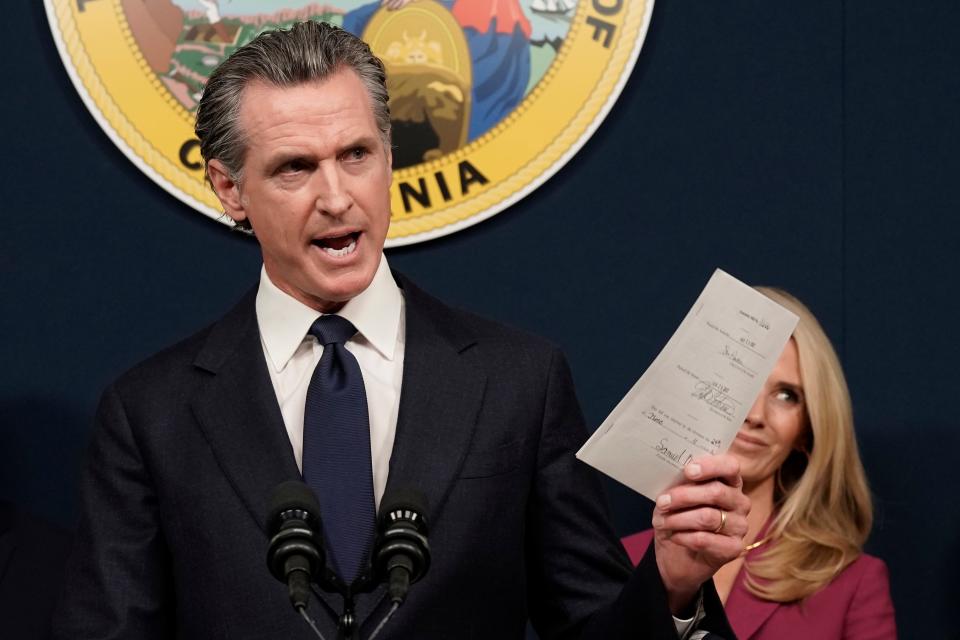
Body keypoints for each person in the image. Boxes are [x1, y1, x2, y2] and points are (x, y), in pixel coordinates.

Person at [53, 21, 749, 639]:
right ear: (230, 188)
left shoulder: (518, 383)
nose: (336, 196)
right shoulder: (151, 414)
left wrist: (672, 584)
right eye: (296, 167)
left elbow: (592, 623)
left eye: (356, 154)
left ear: (389, 157)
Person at [622, 288, 897, 639]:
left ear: (807, 430)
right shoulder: (622, 559)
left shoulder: (852, 583)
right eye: (741, 385)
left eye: (786, 396)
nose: (754, 416)